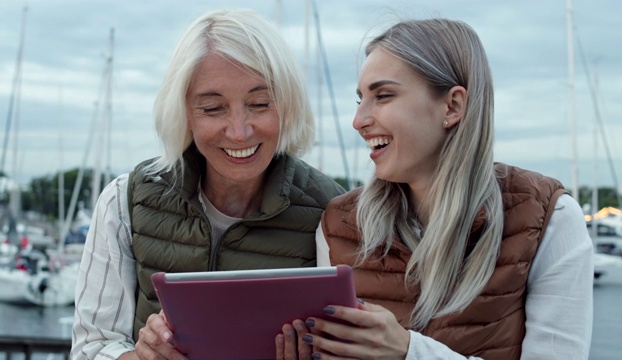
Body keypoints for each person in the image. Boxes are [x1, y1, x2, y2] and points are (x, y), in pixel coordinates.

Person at [277, 18, 593, 359]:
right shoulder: (338, 225)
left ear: (453, 106)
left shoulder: (548, 217)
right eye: (360, 100)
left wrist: (408, 352)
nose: (359, 121)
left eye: (383, 95)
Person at [71, 8, 345, 360]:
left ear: (288, 104)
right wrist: (139, 357)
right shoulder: (124, 201)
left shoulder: (332, 213)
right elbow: (91, 347)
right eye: (213, 108)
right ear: (183, 112)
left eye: (259, 104)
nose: (238, 131)